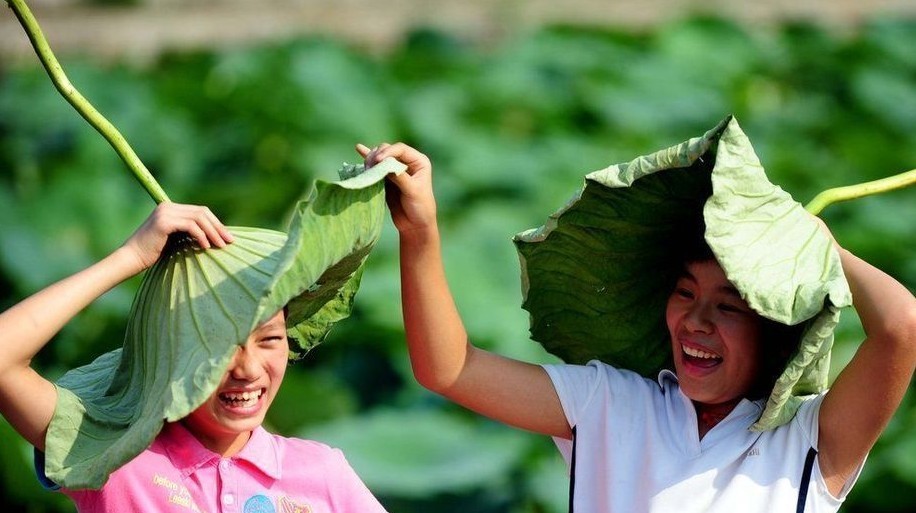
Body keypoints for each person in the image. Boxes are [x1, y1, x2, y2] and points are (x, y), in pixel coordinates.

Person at [357, 141, 916, 512]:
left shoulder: (808, 441)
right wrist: (420, 232)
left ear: (775, 329)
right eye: (685, 293)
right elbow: (451, 369)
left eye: (728, 306)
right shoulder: (610, 402)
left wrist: (815, 242)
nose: (696, 321)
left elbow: (901, 326)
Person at [0, 202, 388, 513]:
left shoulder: (323, 473)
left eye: (269, 339)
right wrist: (130, 256)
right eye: (218, 347)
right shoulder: (115, 460)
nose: (249, 370)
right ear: (170, 354)